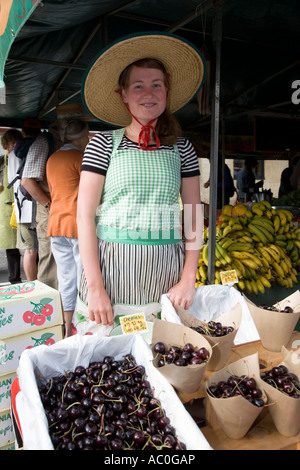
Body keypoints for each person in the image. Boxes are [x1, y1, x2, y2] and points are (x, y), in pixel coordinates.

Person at [77, 32, 205, 330]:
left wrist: (188, 278)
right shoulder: (102, 145)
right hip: (112, 271)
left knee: (163, 354)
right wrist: (96, 287)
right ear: (123, 94)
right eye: (138, 86)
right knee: (109, 358)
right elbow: (83, 216)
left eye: (156, 85)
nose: (149, 93)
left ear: (166, 90)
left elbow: (195, 214)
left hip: (167, 273)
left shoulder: (182, 148)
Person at [46, 119, 89, 337]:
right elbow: (89, 193)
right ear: (81, 137)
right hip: (77, 224)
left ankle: (67, 325)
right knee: (83, 275)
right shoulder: (81, 158)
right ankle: (83, 327)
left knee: (65, 276)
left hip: (56, 223)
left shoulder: (52, 159)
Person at [20, 118, 58, 289]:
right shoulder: (44, 141)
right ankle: (48, 309)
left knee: (56, 258)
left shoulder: (54, 141)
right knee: (49, 259)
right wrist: (48, 205)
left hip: (56, 209)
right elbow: (27, 181)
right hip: (49, 209)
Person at [7, 119, 41, 281]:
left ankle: (32, 285)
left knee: (29, 250)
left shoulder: (14, 152)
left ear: (23, 131)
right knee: (34, 251)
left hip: (22, 206)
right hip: (36, 205)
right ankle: (35, 285)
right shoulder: (36, 148)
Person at [0, 129, 22, 284]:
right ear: (5, 144)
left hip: (21, 202)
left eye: (17, 141)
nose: (14, 145)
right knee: (11, 246)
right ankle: (14, 279)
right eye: (12, 142)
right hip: (6, 206)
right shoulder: (1, 161)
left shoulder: (22, 158)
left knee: (28, 245)